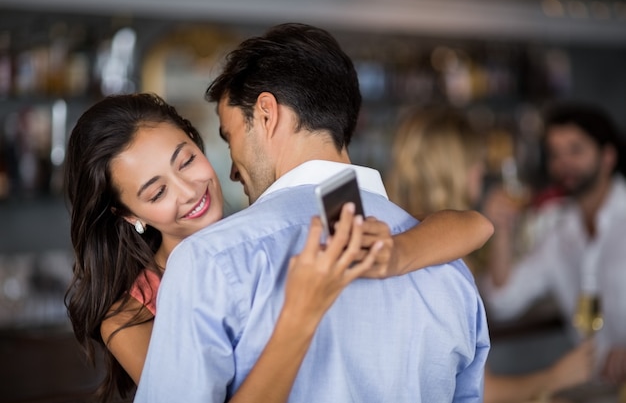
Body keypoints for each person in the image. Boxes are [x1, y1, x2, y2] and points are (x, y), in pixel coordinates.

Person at [134, 23, 490, 402]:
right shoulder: (450, 270)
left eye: (229, 136)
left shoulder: (208, 261)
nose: (233, 169)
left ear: (267, 114)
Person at [64, 93, 493, 402]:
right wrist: (301, 313)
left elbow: (472, 225)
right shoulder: (130, 312)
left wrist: (398, 252)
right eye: (157, 192)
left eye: (187, 160)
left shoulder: (283, 214)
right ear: (129, 215)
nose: (189, 190)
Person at [385, 104, 595, 403]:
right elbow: (484, 390)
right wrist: (556, 377)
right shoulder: (442, 252)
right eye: (476, 161)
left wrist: (501, 230)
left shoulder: (394, 227)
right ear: (455, 170)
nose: (482, 172)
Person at [481, 101, 626, 401]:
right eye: (555, 154)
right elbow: (504, 301)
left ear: (608, 156)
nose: (564, 164)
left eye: (575, 150)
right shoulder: (559, 231)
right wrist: (501, 229)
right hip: (599, 390)